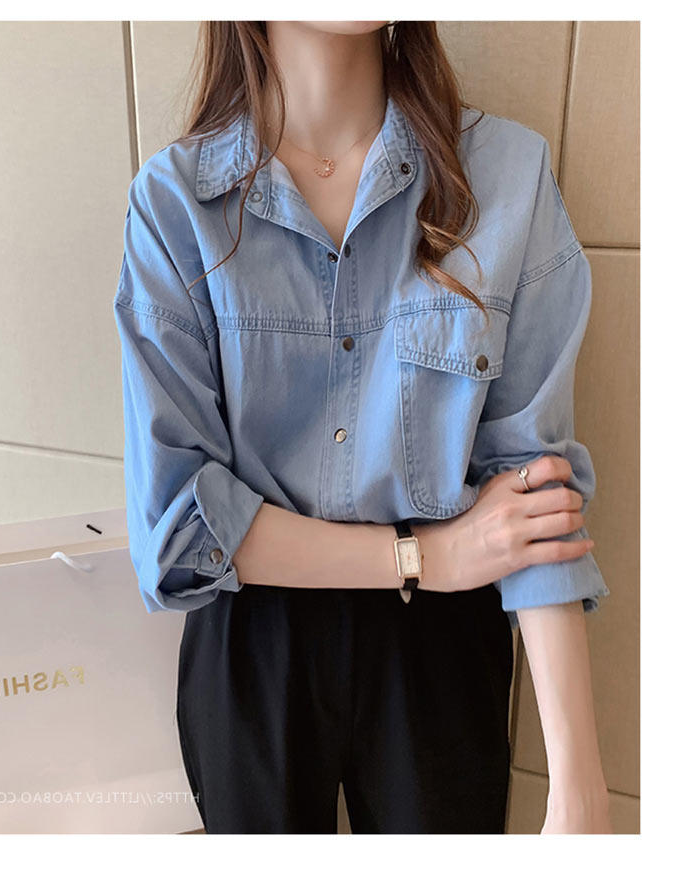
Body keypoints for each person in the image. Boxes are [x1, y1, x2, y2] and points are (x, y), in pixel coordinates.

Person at [112, 21, 613, 834]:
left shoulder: (507, 176)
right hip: (255, 636)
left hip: (441, 648)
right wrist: (428, 556)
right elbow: (179, 527)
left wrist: (579, 790)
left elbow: (533, 491)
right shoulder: (175, 206)